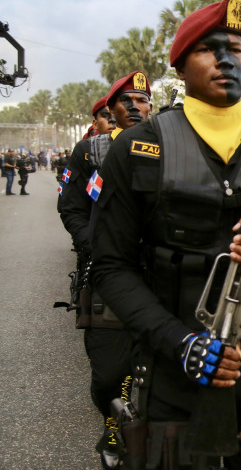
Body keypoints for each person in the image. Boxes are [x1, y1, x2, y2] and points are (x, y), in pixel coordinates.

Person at [90, 0, 241, 469]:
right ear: (181, 67)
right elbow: (112, 267)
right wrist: (182, 344)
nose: (226, 59)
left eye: (236, 48)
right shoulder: (139, 147)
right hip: (175, 364)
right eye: (208, 49)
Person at [58, 84, 146, 468]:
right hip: (106, 273)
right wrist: (93, 243)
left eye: (142, 101)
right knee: (109, 372)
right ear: (109, 111)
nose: (134, 108)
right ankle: (113, 426)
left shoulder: (167, 146)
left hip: (157, 272)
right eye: (125, 103)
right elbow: (71, 207)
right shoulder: (88, 152)